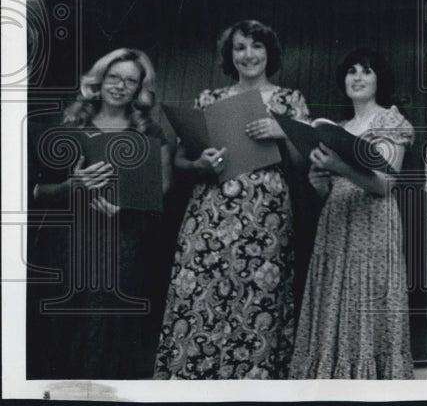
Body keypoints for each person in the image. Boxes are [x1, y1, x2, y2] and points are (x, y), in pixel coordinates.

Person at [154, 20, 310, 379]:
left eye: (256, 46)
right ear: (230, 55)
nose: (249, 55)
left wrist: (282, 131)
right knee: (198, 292)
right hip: (209, 213)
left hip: (265, 217)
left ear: (269, 53)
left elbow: (303, 165)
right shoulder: (208, 99)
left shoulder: (290, 100)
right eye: (240, 48)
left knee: (259, 295)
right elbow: (181, 161)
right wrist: (200, 162)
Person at [29, 48, 172, 379]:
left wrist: (129, 204)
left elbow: (164, 188)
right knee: (59, 324)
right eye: (114, 77)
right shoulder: (65, 124)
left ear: (139, 90)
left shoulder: (149, 132)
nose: (120, 85)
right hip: (67, 240)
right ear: (100, 78)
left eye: (130, 81)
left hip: (122, 240)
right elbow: (35, 192)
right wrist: (71, 186)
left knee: (107, 327)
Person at [290, 48, 415, 379]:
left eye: (367, 71)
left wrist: (338, 166)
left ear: (379, 80)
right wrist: (319, 181)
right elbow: (330, 186)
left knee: (368, 303)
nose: (357, 77)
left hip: (373, 223)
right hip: (336, 222)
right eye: (351, 71)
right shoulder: (339, 127)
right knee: (337, 302)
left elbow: (385, 184)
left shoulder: (391, 120)